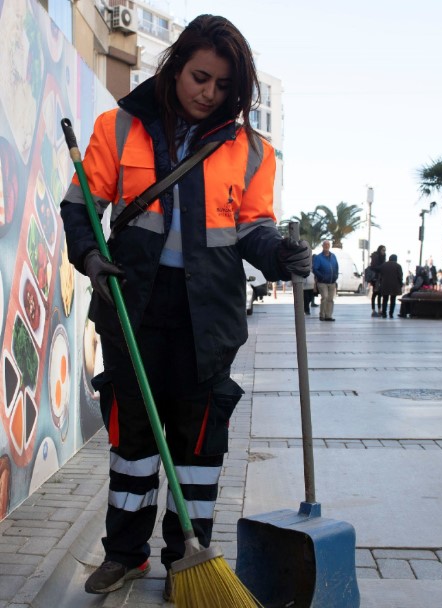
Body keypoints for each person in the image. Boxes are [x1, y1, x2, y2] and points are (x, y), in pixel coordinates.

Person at [59, 15, 310, 600]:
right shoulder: (117, 128)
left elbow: (253, 229)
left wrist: (280, 256)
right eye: (200, 76)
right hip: (133, 307)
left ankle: (186, 559)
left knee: (198, 448)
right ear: (175, 67)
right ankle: (125, 554)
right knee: (134, 441)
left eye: (224, 86)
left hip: (209, 320)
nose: (209, 93)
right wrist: (91, 259)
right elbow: (80, 208)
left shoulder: (250, 150)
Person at [312, 240, 338, 321]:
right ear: (322, 246)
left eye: (328, 244)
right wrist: (321, 277)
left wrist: (335, 276)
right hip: (322, 282)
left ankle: (328, 316)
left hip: (332, 282)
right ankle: (322, 315)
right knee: (325, 297)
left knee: (330, 299)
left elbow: (336, 267)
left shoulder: (333, 256)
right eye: (325, 245)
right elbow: (315, 269)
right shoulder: (318, 257)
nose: (327, 246)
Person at [379, 254, 403, 318]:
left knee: (385, 299)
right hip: (394, 285)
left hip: (385, 284)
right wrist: (401, 284)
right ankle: (391, 314)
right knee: (393, 299)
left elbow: (380, 275)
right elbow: (400, 276)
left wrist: (380, 283)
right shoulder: (398, 266)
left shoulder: (383, 265)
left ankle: (384, 313)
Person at [369, 245, 386, 317]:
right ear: (379, 250)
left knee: (379, 294)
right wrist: (382, 267)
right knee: (375, 294)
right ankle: (373, 310)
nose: (384, 252)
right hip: (375, 278)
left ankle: (379, 309)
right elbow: (373, 267)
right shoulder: (376, 256)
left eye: (385, 250)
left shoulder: (383, 256)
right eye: (383, 250)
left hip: (381, 278)